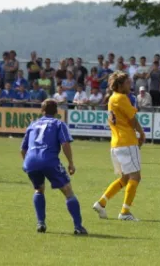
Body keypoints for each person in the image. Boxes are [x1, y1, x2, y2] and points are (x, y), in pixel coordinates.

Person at [20, 99, 87, 234]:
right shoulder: (58, 124)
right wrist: (71, 163)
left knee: (39, 190)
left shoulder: (33, 125)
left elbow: (23, 149)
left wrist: (28, 163)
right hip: (49, 160)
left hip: (31, 160)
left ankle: (41, 223)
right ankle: (78, 227)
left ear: (42, 110)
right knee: (68, 191)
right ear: (57, 112)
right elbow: (65, 144)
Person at [92, 71, 145, 221]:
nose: (130, 85)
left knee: (125, 178)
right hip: (126, 142)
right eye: (127, 83)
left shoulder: (111, 99)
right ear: (120, 85)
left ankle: (101, 203)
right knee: (136, 176)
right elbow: (133, 119)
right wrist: (142, 133)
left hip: (116, 143)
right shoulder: (121, 98)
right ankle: (125, 212)